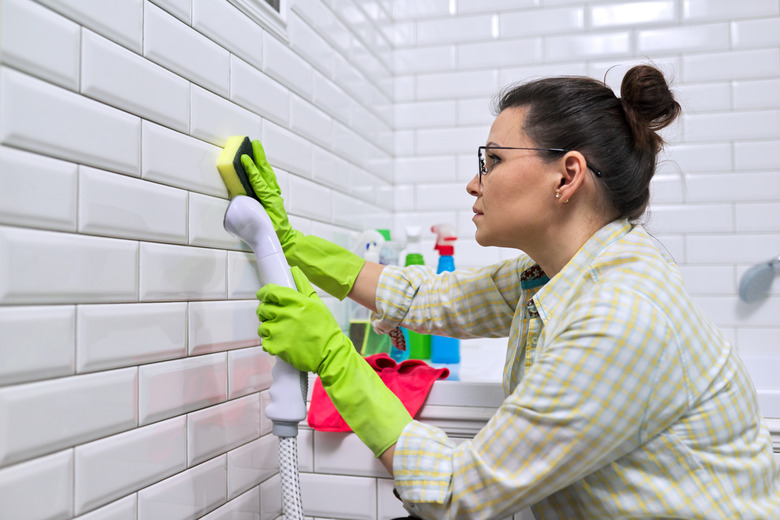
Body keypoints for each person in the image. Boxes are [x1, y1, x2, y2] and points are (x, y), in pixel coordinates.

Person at [244, 64, 780, 519]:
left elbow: (456, 493)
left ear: (567, 176)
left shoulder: (619, 314)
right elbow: (429, 300)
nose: (475, 183)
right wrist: (292, 244)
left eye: (493, 160)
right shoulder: (553, 272)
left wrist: (335, 359)